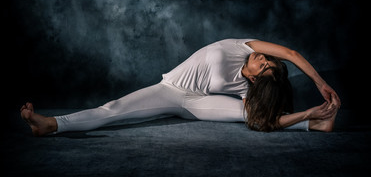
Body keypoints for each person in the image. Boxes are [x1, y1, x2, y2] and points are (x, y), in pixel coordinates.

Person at [20, 39, 340, 136]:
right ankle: (52, 124)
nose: (264, 58)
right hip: (170, 90)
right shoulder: (245, 46)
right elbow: (293, 54)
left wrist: (311, 107)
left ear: (257, 79)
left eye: (265, 65)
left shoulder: (249, 89)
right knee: (114, 110)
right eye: (267, 59)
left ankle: (314, 121)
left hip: (199, 104)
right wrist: (321, 83)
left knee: (254, 118)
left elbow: (262, 119)